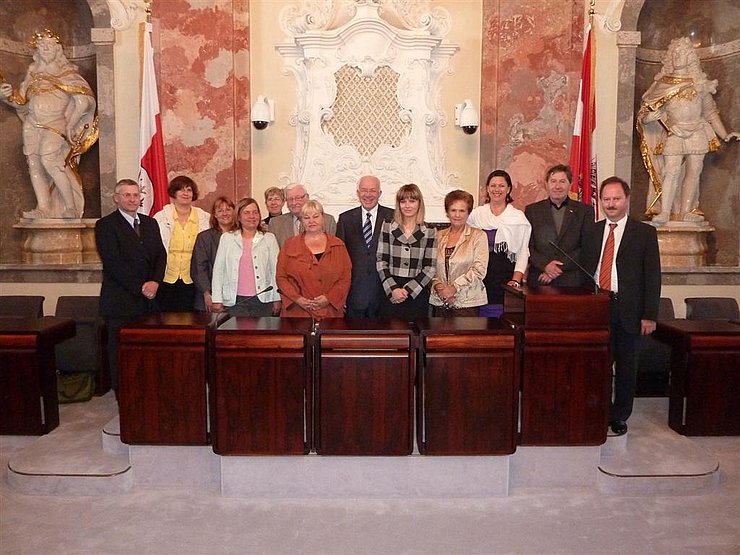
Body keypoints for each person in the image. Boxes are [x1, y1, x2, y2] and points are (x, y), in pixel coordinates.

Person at [582, 176, 661, 436]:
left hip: (630, 310)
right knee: (599, 365)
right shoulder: (593, 230)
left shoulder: (644, 233)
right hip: (598, 308)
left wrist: (649, 315)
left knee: (627, 367)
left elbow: (653, 276)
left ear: (627, 200)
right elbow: (584, 270)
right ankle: (599, 412)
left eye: (616, 199)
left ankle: (620, 415)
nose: (611, 204)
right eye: (606, 199)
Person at [637, 36, 739, 225]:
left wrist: (724, 134)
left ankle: (686, 211)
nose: (677, 56)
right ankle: (665, 212)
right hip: (674, 131)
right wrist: (651, 117)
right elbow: (646, 113)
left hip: (698, 131)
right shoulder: (662, 84)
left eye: (682, 52)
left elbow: (710, 113)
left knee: (694, 170)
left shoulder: (700, 83)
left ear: (690, 56)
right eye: (674, 52)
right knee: (671, 170)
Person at [0, 29, 97, 219]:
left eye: (49, 45)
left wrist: (72, 124)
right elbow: (21, 102)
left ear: (58, 50)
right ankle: (43, 208)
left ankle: (70, 207)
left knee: (50, 161)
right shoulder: (33, 75)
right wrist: (5, 97)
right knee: (34, 165)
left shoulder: (67, 73)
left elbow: (83, 100)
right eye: (41, 45)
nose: (45, 48)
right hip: (32, 125)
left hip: (56, 124)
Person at [94, 179, 166, 396]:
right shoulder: (106, 225)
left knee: (148, 353)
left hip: (149, 302)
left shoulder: (150, 223)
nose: (132, 199)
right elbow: (113, 262)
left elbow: (160, 255)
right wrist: (140, 287)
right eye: (127, 195)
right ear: (117, 198)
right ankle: (123, 398)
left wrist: (155, 282)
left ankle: (148, 395)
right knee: (121, 354)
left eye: (136, 195)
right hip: (121, 302)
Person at [467, 170, 531, 317]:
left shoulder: (518, 218)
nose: (497, 189)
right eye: (493, 185)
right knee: (478, 322)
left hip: (505, 276)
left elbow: (522, 252)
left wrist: (516, 280)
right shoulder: (476, 214)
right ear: (487, 188)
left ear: (508, 189)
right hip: (479, 275)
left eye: (501, 186)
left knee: (502, 322)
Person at [276, 200, 351, 318]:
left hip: (330, 312)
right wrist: (298, 299)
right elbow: (281, 277)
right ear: (301, 221)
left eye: (315, 216)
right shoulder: (289, 244)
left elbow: (345, 278)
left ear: (323, 218)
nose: (311, 221)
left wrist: (328, 298)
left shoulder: (338, 245)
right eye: (306, 217)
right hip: (297, 312)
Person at [525, 164, 594, 286]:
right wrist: (545, 265)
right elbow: (528, 246)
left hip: (572, 281)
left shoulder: (585, 211)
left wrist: (557, 269)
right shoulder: (532, 210)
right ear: (546, 184)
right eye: (553, 181)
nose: (557, 186)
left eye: (562, 181)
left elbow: (587, 246)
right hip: (539, 279)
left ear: (570, 184)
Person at [336, 175, 395, 318]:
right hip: (355, 295)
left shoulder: (393, 217)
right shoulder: (345, 219)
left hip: (384, 294)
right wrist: (341, 294)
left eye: (373, 191)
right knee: (355, 339)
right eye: (364, 190)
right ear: (358, 193)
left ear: (379, 194)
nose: (368, 195)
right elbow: (339, 260)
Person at [211, 198, 281, 317]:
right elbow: (218, 271)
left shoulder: (269, 238)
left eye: (255, 212)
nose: (252, 216)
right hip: (235, 300)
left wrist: (277, 297)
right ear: (238, 217)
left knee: (262, 335)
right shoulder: (227, 238)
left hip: (263, 300)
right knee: (236, 335)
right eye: (246, 213)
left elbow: (276, 270)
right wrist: (217, 299)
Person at [376, 183, 437, 320]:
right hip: (391, 290)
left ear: (419, 203)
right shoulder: (387, 226)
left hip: (417, 292)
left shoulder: (430, 231)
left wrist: (407, 291)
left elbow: (430, 267)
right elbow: (381, 261)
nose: (407, 205)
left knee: (415, 336)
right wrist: (393, 289)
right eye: (403, 201)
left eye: (412, 201)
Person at [153, 175, 210, 311]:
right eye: (181, 190)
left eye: (189, 190)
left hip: (192, 280)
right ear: (173, 193)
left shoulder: (205, 218)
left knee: (191, 323)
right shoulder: (160, 218)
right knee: (166, 323)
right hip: (166, 278)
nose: (185, 193)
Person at [430, 190, 488, 316]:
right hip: (440, 301)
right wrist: (440, 288)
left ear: (468, 213)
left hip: (468, 303)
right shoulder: (438, 236)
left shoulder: (478, 236)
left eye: (462, 211)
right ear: (447, 212)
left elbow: (479, 270)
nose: (457, 215)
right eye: (453, 210)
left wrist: (454, 288)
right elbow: (430, 267)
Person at [190, 196, 236, 312]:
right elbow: (199, 268)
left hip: (237, 298)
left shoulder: (241, 236)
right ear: (215, 215)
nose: (224, 213)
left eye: (228, 209)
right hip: (209, 296)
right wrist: (207, 292)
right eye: (220, 211)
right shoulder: (204, 237)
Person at [268, 183, 336, 248]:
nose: (294, 203)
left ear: (307, 197)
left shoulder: (328, 221)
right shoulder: (275, 224)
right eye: (290, 199)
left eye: (298, 198)